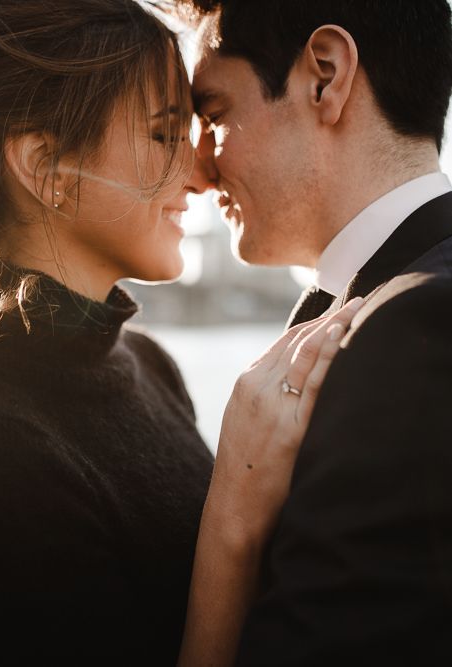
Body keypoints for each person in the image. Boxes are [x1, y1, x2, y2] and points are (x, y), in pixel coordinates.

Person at [0, 1, 358, 665]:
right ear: (45, 166)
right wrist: (238, 506)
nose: (200, 174)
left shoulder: (144, 364)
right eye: (165, 133)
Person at [183, 0, 452, 664]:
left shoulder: (411, 334)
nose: (197, 167)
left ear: (324, 78)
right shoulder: (388, 305)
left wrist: (229, 530)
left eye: (214, 115)